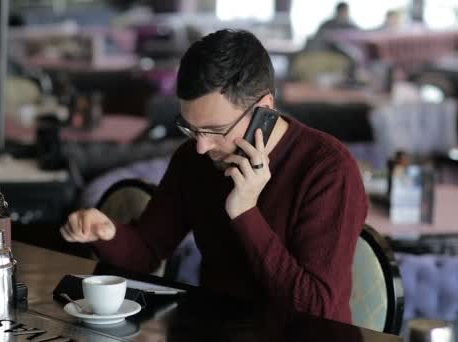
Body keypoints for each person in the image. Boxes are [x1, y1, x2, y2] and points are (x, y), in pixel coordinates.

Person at [61, 29, 368, 324]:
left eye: (215, 131)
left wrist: (246, 212)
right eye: (191, 128)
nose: (201, 146)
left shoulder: (327, 169)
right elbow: (147, 252)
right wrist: (107, 232)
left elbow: (316, 309)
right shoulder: (192, 160)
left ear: (265, 110)